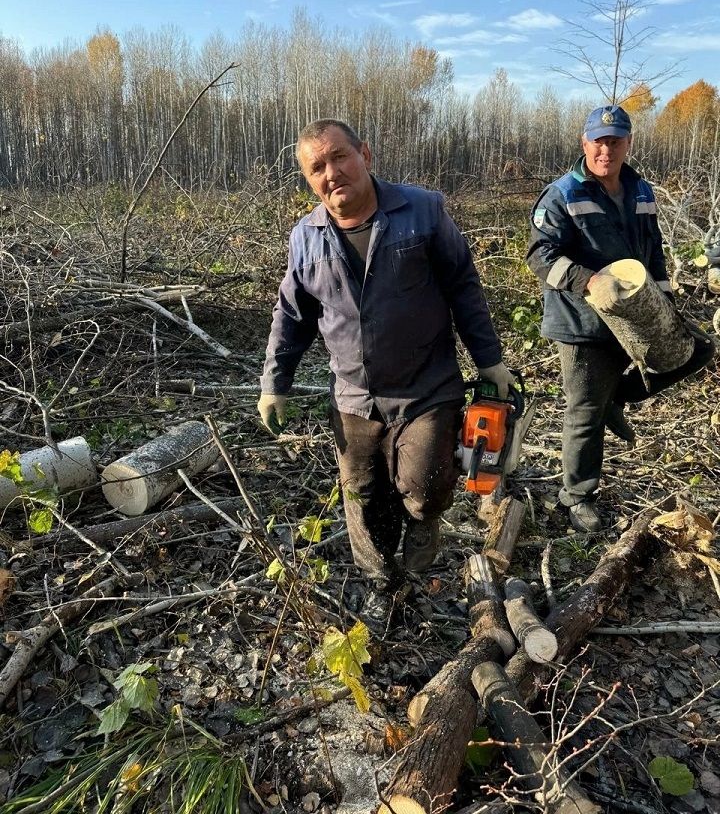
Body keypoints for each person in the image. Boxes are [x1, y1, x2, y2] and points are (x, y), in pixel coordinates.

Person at [258, 119, 512, 633]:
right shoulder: (306, 237)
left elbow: (463, 284)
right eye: (317, 167)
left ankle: (419, 560)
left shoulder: (421, 212)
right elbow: (292, 315)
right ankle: (382, 583)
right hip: (353, 396)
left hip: (426, 387)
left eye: (339, 157)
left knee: (423, 487)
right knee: (362, 496)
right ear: (308, 179)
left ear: (365, 154)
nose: (332, 174)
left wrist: (488, 358)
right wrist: (274, 382)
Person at [527, 105, 714, 533]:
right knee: (584, 412)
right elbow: (541, 256)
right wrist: (587, 280)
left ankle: (619, 397)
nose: (606, 149)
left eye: (615, 141)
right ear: (584, 143)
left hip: (637, 312)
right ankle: (576, 496)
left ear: (628, 144)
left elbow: (653, 251)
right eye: (598, 140)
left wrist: (666, 304)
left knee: (696, 350)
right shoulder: (563, 194)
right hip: (583, 321)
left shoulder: (641, 191)